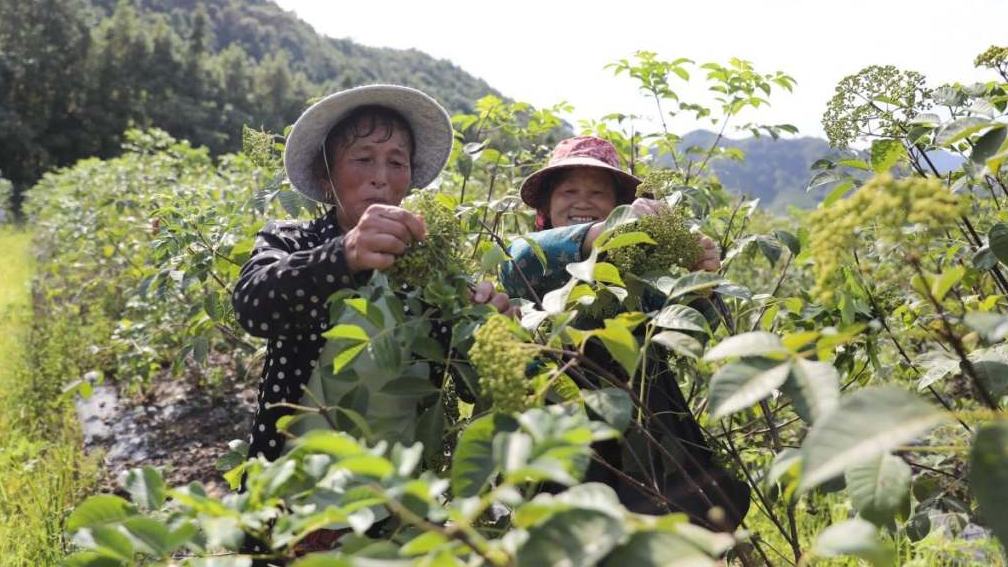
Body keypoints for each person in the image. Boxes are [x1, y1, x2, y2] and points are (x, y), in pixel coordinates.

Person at [232, 84, 511, 465]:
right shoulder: (294, 240)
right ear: (326, 178)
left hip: (398, 498)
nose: (381, 176)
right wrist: (342, 256)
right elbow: (252, 306)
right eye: (363, 159)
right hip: (293, 485)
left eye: (397, 163)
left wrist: (487, 330)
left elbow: (467, 383)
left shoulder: (430, 268)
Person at [500, 135, 750, 530]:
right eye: (569, 191)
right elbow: (517, 260)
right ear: (546, 208)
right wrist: (605, 233)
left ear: (617, 204)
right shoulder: (536, 257)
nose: (582, 201)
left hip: (648, 436)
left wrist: (702, 280)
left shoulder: (641, 274)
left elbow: (691, 330)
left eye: (597, 192)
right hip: (559, 435)